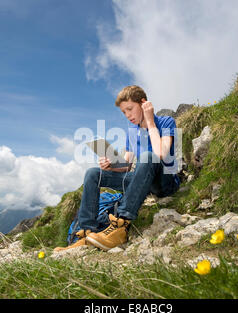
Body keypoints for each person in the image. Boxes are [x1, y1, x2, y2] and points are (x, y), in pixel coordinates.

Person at [54, 85, 181, 252]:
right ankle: (86, 233)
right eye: (124, 112)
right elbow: (127, 165)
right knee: (93, 174)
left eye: (130, 109)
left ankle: (120, 226)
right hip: (141, 180)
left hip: (165, 181)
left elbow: (162, 153)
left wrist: (150, 122)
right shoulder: (132, 132)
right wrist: (111, 166)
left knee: (148, 156)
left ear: (143, 103)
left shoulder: (166, 122)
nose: (128, 115)